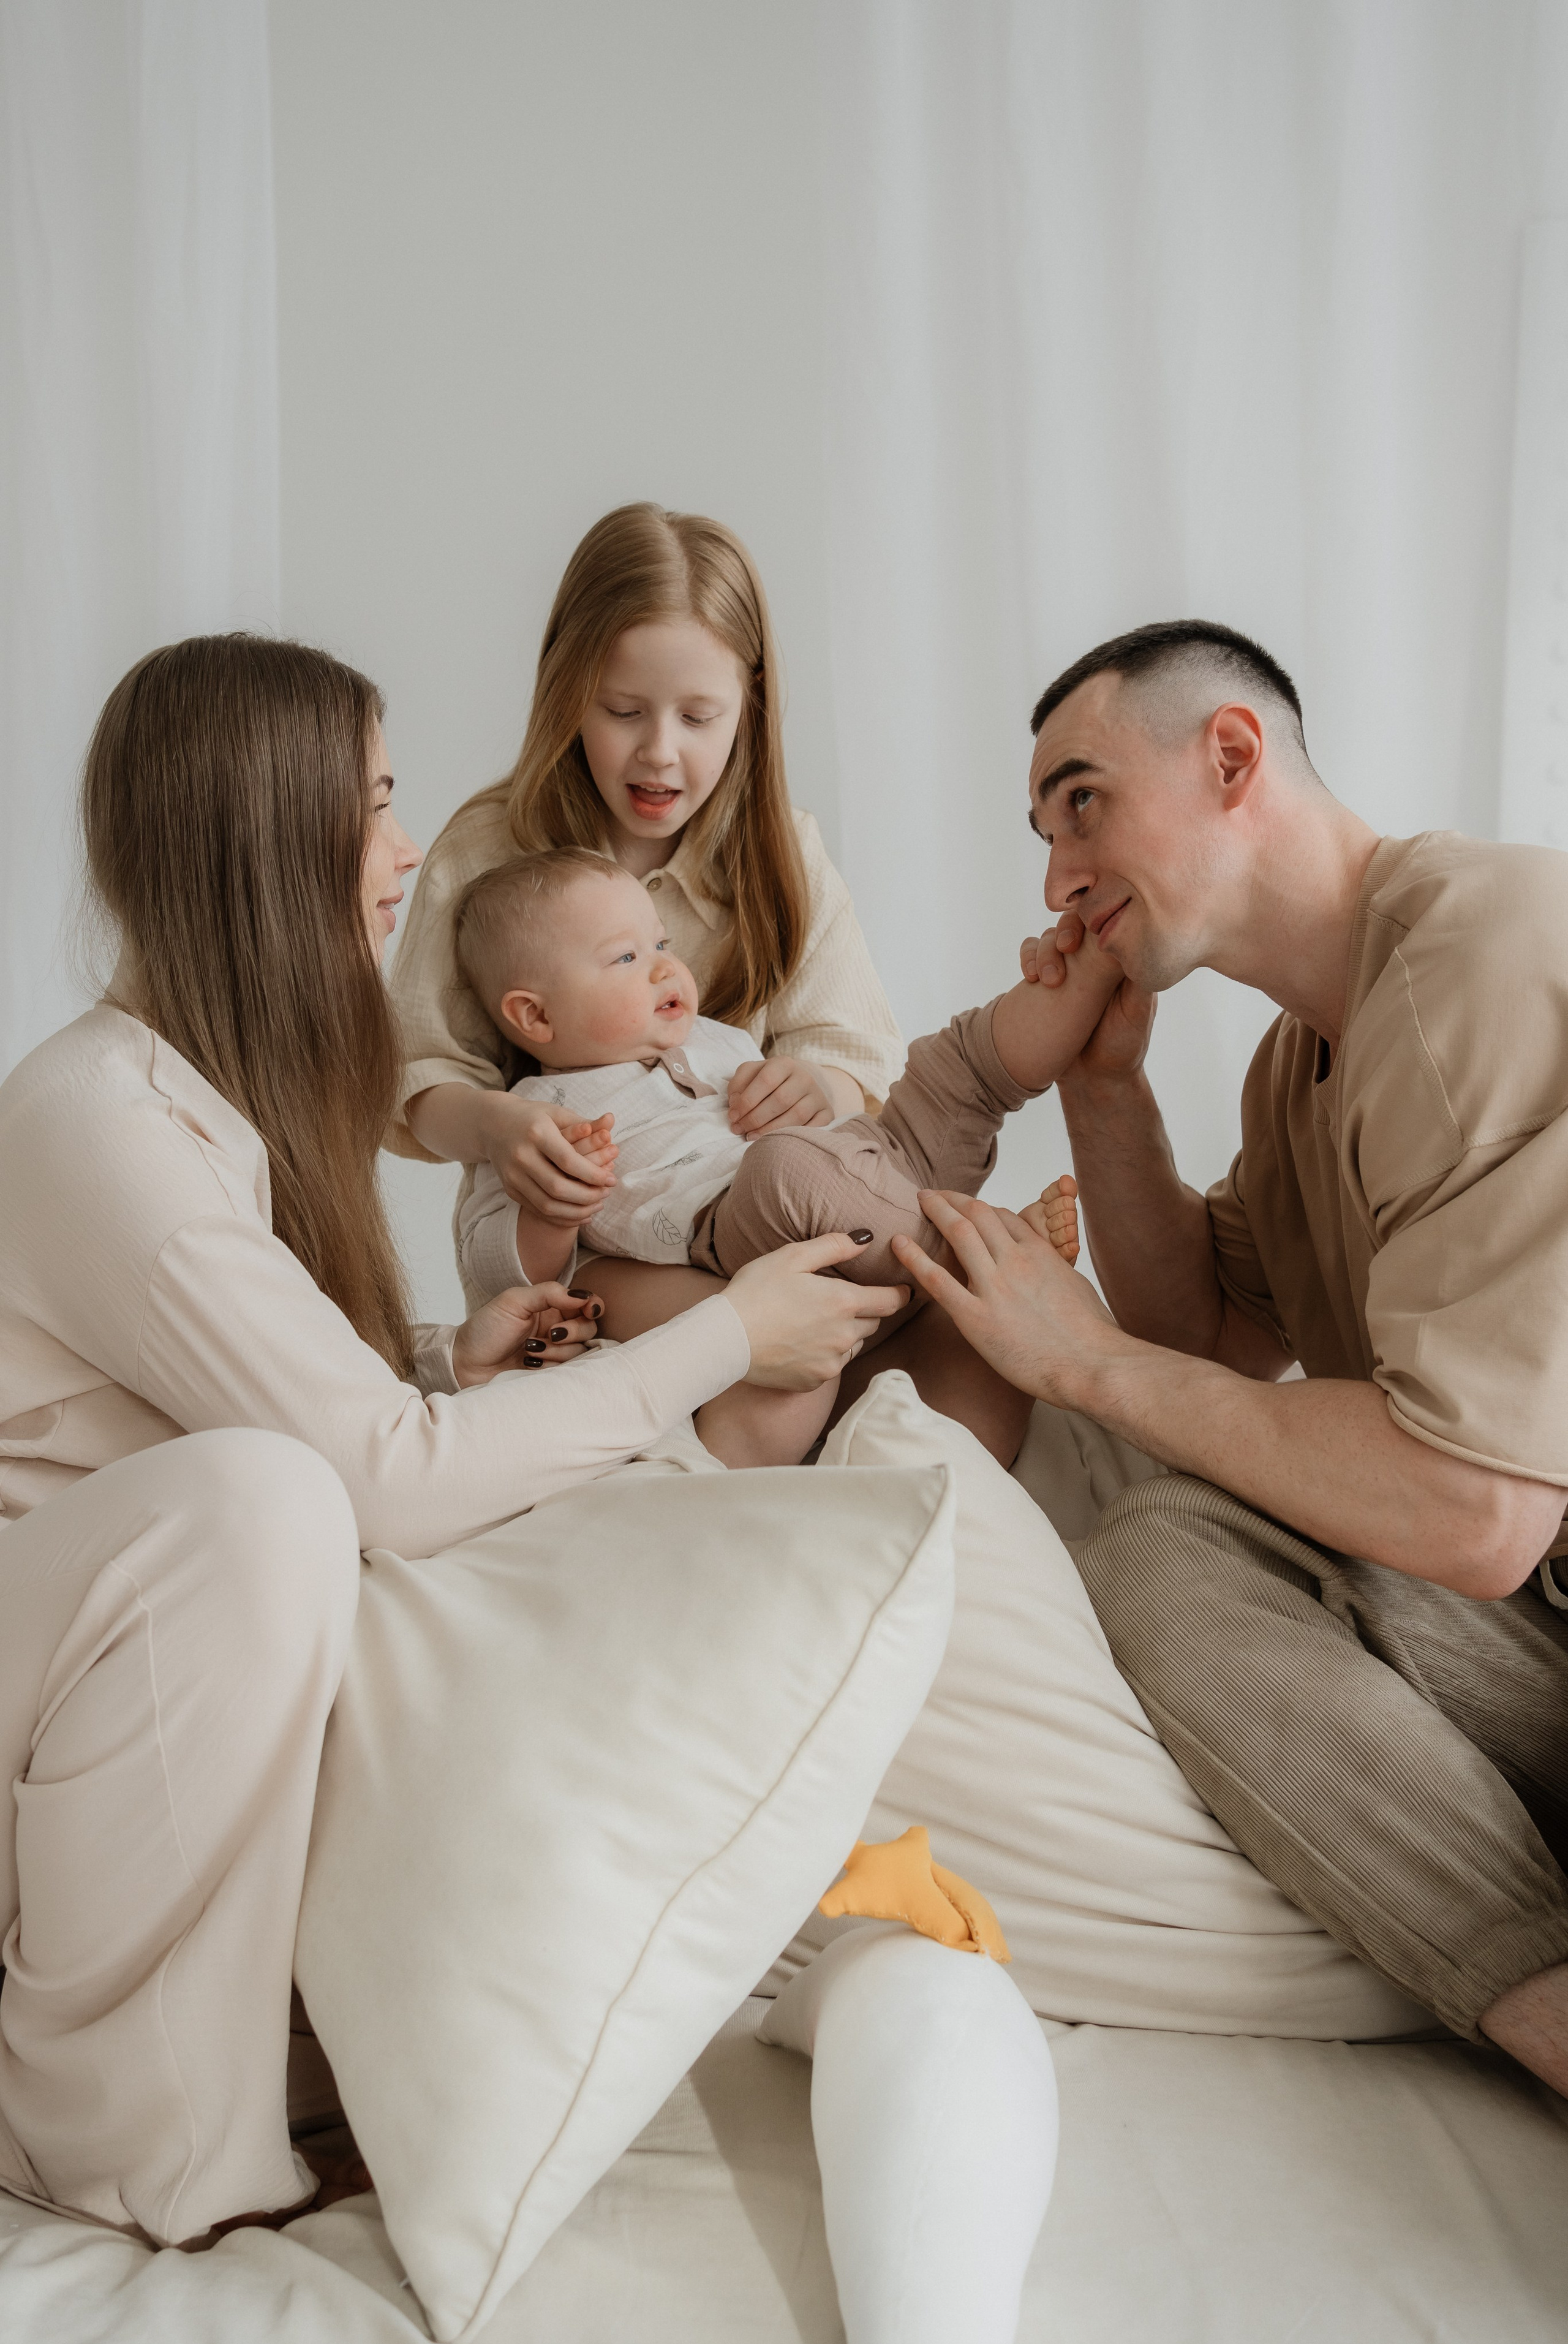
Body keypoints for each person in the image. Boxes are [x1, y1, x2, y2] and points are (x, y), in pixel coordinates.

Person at [0, 633, 905, 2250]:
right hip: (50, 1704)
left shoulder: (208, 1103)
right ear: (262, 834)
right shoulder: (100, 1115)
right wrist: (724, 1333)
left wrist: (442, 1353)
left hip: (99, 1697)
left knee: (427, 1499)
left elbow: (247, 1396)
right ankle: (125, 2138)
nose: (405, 851)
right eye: (374, 803)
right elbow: (362, 1477)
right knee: (280, 1503)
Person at [888, 618, 1568, 2096]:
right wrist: (1101, 1082)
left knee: (1171, 1534)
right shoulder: (1299, 1061)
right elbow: (1202, 1334)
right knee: (1169, 1548)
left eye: (1081, 802)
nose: (1058, 874)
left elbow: (1472, 1509)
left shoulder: (1475, 951)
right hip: (1537, 1636)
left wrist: (1080, 1368)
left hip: (1522, 1580)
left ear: (1231, 757)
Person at [387, 501, 1036, 1461]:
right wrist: (495, 1126)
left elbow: (852, 1053)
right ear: (569, 691)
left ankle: (912, 1502)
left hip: (777, 1213)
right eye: (622, 711)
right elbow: (409, 1078)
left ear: (752, 703)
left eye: (699, 717)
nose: (659, 751)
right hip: (604, 1253)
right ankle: (761, 1479)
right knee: (773, 1344)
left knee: (974, 1361)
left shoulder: (783, 851)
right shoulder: (489, 853)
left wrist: (814, 1085)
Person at [451, 848, 1104, 1464]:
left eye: (661, 944)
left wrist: (809, 1087)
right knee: (785, 1168)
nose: (662, 967)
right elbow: (502, 1265)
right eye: (624, 958)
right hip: (741, 1234)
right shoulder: (538, 1117)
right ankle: (984, 1262)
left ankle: (1087, 972)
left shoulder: (716, 1041)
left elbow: (837, 1135)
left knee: (946, 1071)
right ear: (535, 1017)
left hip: (862, 1197)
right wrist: (554, 1208)